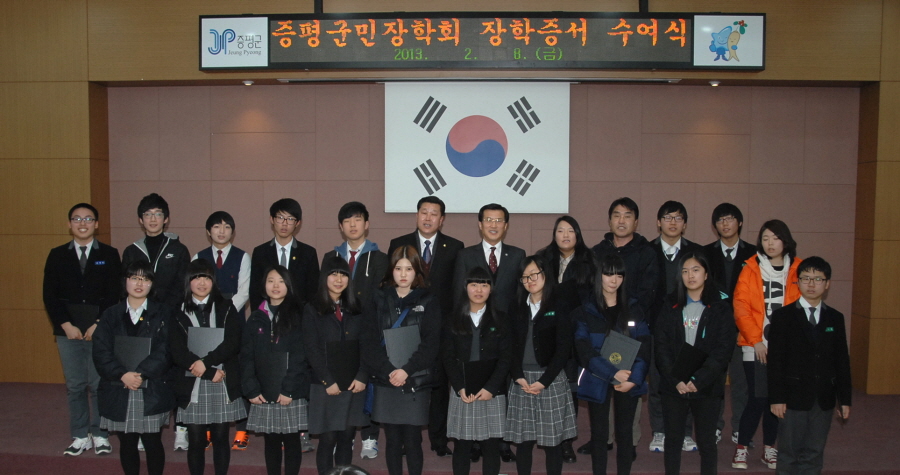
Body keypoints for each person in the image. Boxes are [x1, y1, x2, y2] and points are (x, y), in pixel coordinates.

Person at [388, 196, 464, 458]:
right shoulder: (399, 244)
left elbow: (456, 290)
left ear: (442, 219)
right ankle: (405, 437)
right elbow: (391, 285)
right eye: (424, 212)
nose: (428, 217)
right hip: (406, 325)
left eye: (434, 213)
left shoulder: (455, 246)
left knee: (440, 385)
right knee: (406, 381)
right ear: (416, 215)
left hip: (441, 328)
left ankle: (438, 438)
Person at [43, 203, 122, 456]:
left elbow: (115, 294)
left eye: (88, 219)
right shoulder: (57, 255)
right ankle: (79, 435)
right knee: (75, 385)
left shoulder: (110, 254)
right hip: (67, 331)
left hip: (99, 329)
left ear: (96, 224)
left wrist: (99, 324)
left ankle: (100, 433)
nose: (82, 223)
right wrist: (65, 325)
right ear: (69, 224)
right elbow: (49, 295)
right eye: (77, 219)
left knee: (99, 384)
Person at [451, 203, 523, 463]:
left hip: (503, 331)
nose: (494, 225)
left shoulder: (518, 255)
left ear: (506, 225)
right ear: (480, 224)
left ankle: (501, 441)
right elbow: (458, 295)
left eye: (499, 220)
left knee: (501, 386)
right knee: (473, 380)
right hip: (471, 329)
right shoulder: (465, 255)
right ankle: (472, 442)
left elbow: (519, 297)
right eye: (489, 220)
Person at [120, 193, 191, 450]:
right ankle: (143, 428)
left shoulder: (178, 249)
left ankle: (181, 429)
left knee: (175, 376)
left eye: (158, 214)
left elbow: (183, 286)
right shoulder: (131, 251)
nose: (153, 219)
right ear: (141, 220)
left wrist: (161, 312)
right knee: (144, 374)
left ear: (166, 219)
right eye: (148, 215)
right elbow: (126, 287)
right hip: (139, 324)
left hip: (170, 321)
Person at [767, 256, 851, 475]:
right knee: (788, 453)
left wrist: (844, 399)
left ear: (827, 283)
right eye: (806, 278)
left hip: (823, 398)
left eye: (818, 279)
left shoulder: (835, 318)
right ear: (798, 282)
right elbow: (775, 361)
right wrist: (777, 398)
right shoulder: (783, 316)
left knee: (814, 453)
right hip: (791, 398)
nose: (811, 284)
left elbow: (842, 360)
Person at [655, 250, 735, 475]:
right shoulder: (670, 304)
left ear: (706, 274)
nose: (690, 276)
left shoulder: (720, 306)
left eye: (696, 270)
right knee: (673, 440)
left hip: (706, 385)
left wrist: (699, 379)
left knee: (707, 442)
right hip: (675, 384)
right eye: (685, 271)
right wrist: (676, 379)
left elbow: (723, 349)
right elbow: (660, 345)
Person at [92, 260, 175, 475]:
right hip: (119, 386)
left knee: (152, 441)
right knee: (127, 442)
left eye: (145, 279)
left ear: (152, 284)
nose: (139, 284)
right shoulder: (110, 314)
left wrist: (141, 374)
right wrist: (122, 374)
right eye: (134, 278)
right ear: (125, 281)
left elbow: (166, 350)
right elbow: (101, 351)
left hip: (152, 386)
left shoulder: (164, 313)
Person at [589, 197, 659, 454]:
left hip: (630, 328)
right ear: (609, 220)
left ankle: (629, 441)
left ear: (636, 222)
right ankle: (604, 438)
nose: (621, 220)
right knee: (602, 379)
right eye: (616, 215)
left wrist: (628, 313)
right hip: (601, 326)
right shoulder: (597, 252)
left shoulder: (646, 252)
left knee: (628, 383)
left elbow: (649, 291)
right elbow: (589, 288)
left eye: (627, 216)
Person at [364, 245, 441, 475]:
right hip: (386, 378)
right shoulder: (378, 298)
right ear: (391, 271)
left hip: (415, 379)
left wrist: (406, 370)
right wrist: (389, 370)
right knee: (393, 439)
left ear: (417, 271)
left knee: (413, 438)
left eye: (409, 268)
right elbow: (368, 342)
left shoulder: (429, 300)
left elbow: (431, 344)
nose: (403, 274)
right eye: (398, 268)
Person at [732, 220, 802, 470]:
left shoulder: (798, 268)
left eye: (775, 238)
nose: (770, 243)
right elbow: (741, 307)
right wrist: (756, 341)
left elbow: (802, 308)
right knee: (757, 398)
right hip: (755, 346)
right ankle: (741, 447)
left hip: (786, 349)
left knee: (777, 398)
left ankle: (769, 448)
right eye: (765, 238)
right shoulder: (751, 267)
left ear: (785, 240)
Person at [572, 254, 650, 475]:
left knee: (625, 434)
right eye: (608, 274)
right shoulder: (586, 310)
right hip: (598, 376)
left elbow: (644, 346)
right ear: (599, 276)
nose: (614, 280)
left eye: (619, 275)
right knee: (599, 435)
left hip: (628, 379)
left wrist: (634, 378)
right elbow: (584, 350)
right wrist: (613, 373)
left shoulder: (634, 308)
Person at [325, 201, 389, 459]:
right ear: (341, 227)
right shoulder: (331, 258)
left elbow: (381, 296)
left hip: (369, 328)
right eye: (347, 221)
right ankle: (346, 435)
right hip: (339, 329)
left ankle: (370, 437)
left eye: (358, 219)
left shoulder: (380, 258)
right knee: (343, 379)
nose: (353, 225)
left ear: (367, 224)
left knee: (368, 381)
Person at [170, 259, 246, 475]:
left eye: (206, 278)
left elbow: (233, 342)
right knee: (196, 439)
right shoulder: (177, 310)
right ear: (188, 281)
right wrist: (207, 370)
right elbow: (176, 349)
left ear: (213, 281)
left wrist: (205, 363)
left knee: (221, 437)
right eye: (196, 278)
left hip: (222, 380)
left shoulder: (227, 307)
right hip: (192, 382)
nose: (201, 283)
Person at [505, 255, 577, 475]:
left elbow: (564, 348)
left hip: (550, 379)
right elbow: (508, 345)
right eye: (525, 277)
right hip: (522, 381)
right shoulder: (516, 306)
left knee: (552, 443)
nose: (530, 280)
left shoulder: (559, 305)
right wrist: (517, 375)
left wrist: (545, 381)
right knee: (523, 442)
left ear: (545, 275)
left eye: (534, 274)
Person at [303, 256, 370, 475]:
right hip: (326, 384)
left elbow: (367, 344)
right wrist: (327, 380)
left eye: (343, 275)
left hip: (353, 383)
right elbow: (311, 348)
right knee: (328, 439)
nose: (339, 279)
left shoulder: (357, 307)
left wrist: (362, 375)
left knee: (347, 437)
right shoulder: (312, 308)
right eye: (333, 274)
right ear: (324, 277)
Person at [192, 211, 253, 451]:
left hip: (233, 322)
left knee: (236, 374)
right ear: (208, 231)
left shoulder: (242, 256)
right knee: (207, 374)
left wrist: (222, 312)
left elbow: (244, 291)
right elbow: (194, 287)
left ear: (233, 232)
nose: (221, 231)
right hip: (204, 324)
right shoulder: (199, 257)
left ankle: (242, 431)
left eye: (227, 227)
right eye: (216, 226)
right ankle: (207, 430)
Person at [443, 266, 512, 475]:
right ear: (466, 288)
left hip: (492, 392)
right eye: (474, 284)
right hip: (462, 391)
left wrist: (491, 388)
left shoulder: (501, 319)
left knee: (491, 447)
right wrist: (459, 387)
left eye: (484, 285)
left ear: (491, 289)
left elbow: (506, 358)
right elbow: (447, 357)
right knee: (462, 447)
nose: (479, 290)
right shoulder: (452, 319)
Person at [241, 265, 310, 475]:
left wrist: (289, 389)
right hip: (263, 390)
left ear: (288, 285)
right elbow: (246, 356)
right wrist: (251, 388)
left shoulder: (299, 315)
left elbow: (300, 356)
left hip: (290, 390)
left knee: (291, 440)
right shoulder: (255, 317)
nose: (275, 286)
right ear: (264, 285)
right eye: (271, 281)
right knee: (270, 440)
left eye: (281, 281)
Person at [536, 215, 595, 463]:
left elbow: (592, 298)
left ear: (577, 234)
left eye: (571, 230)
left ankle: (566, 441)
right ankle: (546, 436)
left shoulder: (589, 260)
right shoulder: (542, 258)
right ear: (554, 234)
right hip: (547, 329)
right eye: (560, 230)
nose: (565, 235)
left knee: (569, 388)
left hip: (575, 332)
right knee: (546, 383)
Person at [649, 201, 702, 453]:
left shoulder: (696, 252)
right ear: (658, 222)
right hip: (655, 327)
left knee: (687, 379)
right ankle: (659, 431)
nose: (673, 222)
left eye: (678, 218)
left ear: (685, 224)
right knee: (658, 381)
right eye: (667, 217)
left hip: (689, 325)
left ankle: (685, 432)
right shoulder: (647, 251)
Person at [702, 203, 756, 445]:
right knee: (714, 379)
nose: (725, 224)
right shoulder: (705, 253)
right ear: (715, 226)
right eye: (720, 220)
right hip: (715, 327)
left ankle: (740, 428)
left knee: (741, 382)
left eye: (730, 219)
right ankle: (714, 426)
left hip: (744, 329)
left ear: (740, 223)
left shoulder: (754, 254)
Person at [250, 198, 320, 309]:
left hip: (299, 314)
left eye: (290, 219)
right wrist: (260, 315)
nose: (285, 223)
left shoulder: (308, 253)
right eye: (280, 218)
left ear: (297, 223)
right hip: (268, 313)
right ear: (272, 219)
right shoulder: (260, 252)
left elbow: (313, 291)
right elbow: (255, 291)